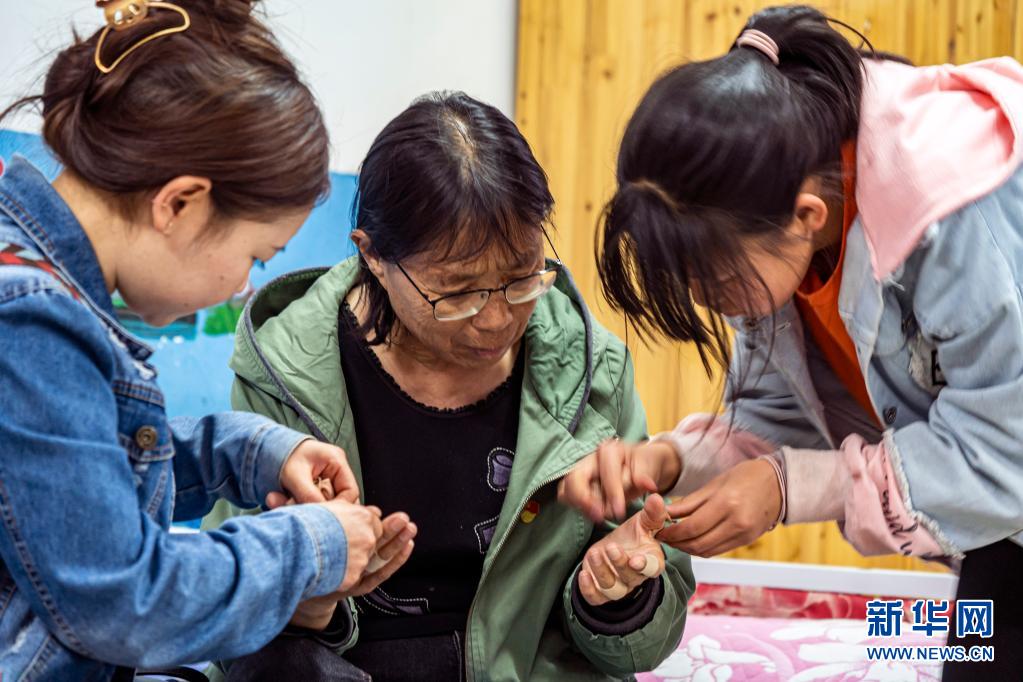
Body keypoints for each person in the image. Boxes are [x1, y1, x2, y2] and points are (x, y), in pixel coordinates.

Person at [560, 5, 1023, 678]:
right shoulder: (776, 225)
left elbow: (1006, 455)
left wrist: (786, 489)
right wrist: (667, 460)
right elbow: (776, 418)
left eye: (717, 281)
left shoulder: (956, 205)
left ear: (807, 214)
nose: (707, 301)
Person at [204, 91, 695, 681]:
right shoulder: (286, 372)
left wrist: (615, 598)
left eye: (521, 278)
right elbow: (234, 618)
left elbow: (640, 642)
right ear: (373, 256)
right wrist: (307, 602)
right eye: (458, 292)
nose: (496, 320)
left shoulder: (591, 373)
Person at [0, 1, 397, 678]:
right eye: (255, 256)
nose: (244, 284)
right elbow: (122, 600)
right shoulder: (33, 321)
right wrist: (312, 546)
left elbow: (75, 483)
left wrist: (251, 452)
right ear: (180, 203)